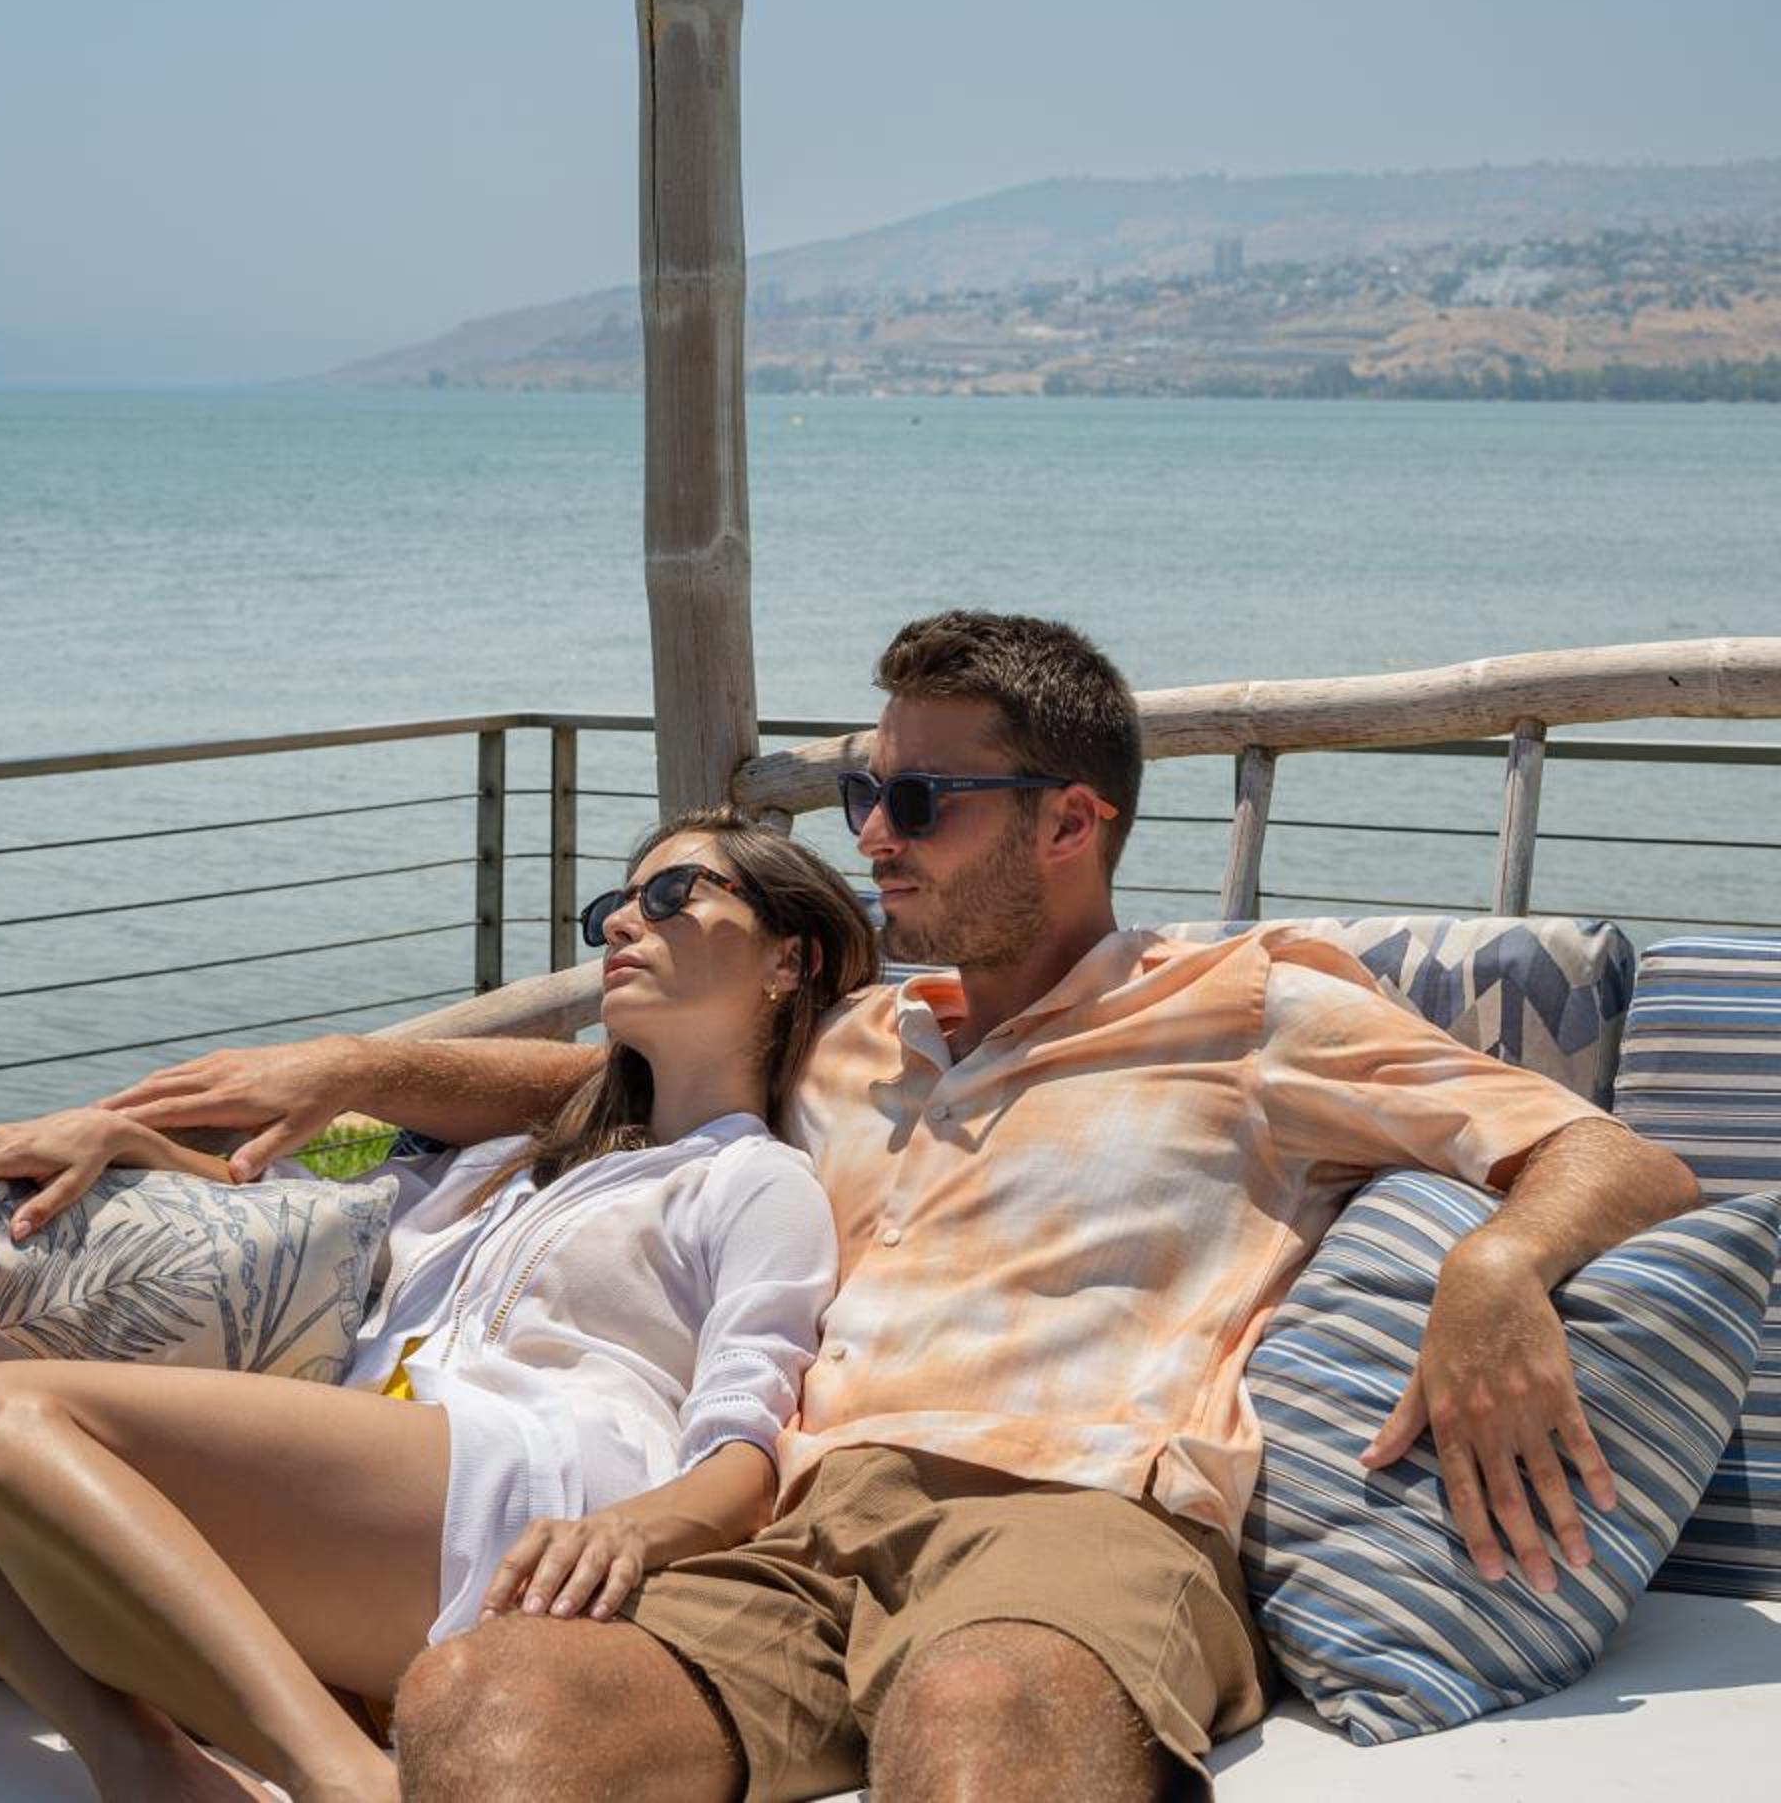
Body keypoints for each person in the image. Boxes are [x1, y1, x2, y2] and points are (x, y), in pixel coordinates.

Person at [110, 610, 1701, 1803]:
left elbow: (1618, 1159)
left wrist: (1497, 1266)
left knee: (979, 1714)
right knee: (488, 1698)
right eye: (867, 791)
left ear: (1070, 822)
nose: (871, 834)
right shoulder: (859, 1039)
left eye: (921, 800)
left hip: (1076, 1517)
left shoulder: (1250, 1005)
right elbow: (598, 1085)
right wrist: (343, 1070)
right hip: (792, 1529)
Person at [0, 814, 875, 1803]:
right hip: (367, 1472)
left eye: (674, 893)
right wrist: (128, 1142)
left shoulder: (755, 1182)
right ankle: (144, 1756)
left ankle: (341, 1781)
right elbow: (327, 1236)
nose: (625, 922)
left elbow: (746, 1446)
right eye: (614, 906)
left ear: (789, 960)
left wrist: (627, 1530)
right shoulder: (513, 1163)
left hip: (527, 1496)